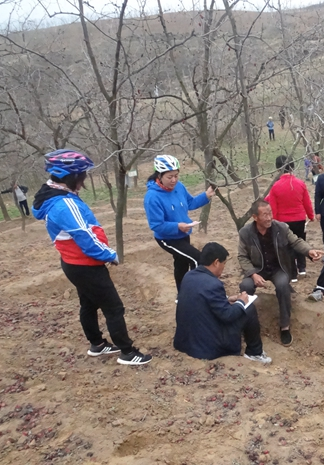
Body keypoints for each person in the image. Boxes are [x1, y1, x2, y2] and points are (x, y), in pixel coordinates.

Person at [32, 150, 152, 366]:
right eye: (81, 175)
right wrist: (110, 254)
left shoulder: (55, 196)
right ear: (69, 176)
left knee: (88, 303)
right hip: (86, 265)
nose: (84, 179)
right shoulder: (64, 204)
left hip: (74, 263)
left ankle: (97, 344)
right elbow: (85, 238)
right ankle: (127, 352)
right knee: (114, 307)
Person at [238, 200, 324, 347]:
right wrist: (252, 274)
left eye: (270, 213)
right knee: (245, 286)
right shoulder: (245, 233)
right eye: (265, 215)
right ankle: (244, 323)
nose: (269, 217)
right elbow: (242, 257)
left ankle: (285, 326)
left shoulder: (281, 228)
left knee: (283, 285)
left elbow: (296, 242)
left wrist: (309, 251)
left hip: (278, 268)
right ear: (255, 217)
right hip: (257, 269)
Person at [174, 242, 271, 364]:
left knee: (238, 306)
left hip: (185, 342)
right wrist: (241, 302)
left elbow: (204, 301)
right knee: (248, 309)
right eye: (224, 263)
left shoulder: (188, 276)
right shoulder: (214, 284)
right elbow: (227, 315)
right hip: (207, 347)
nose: (223, 267)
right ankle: (254, 352)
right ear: (216, 262)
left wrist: (227, 300)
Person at [144, 155, 215, 294]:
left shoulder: (179, 187)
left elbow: (190, 203)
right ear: (159, 175)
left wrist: (206, 195)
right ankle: (196, 294)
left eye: (176, 176)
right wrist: (178, 226)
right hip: (167, 238)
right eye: (169, 177)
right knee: (197, 259)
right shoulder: (152, 197)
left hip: (183, 234)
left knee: (181, 264)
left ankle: (182, 296)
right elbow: (156, 225)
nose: (174, 180)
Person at [266, 155, 315, 281]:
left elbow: (273, 207)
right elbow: (307, 202)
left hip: (283, 221)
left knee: (288, 247)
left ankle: (293, 274)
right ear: (292, 167)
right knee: (300, 242)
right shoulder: (300, 183)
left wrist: (274, 222)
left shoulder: (276, 186)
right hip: (299, 219)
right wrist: (311, 216)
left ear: (278, 169)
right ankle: (302, 268)